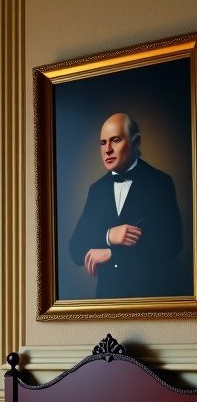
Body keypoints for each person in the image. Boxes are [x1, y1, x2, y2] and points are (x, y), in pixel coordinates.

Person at [67, 112, 183, 299]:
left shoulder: (160, 183)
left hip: (149, 300)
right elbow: (75, 248)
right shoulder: (96, 190)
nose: (107, 149)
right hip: (106, 303)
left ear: (136, 142)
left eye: (116, 140)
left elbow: (172, 244)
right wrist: (108, 236)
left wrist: (113, 253)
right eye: (103, 143)